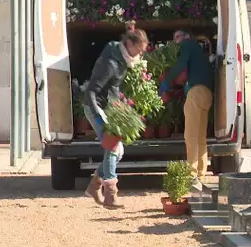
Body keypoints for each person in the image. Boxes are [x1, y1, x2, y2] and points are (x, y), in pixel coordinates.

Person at [83, 21, 149, 209]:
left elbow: (112, 86)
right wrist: (98, 116)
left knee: (118, 151)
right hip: (96, 106)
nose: (140, 54)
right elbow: (91, 92)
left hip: (109, 106)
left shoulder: (122, 56)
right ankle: (110, 195)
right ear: (129, 45)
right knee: (113, 147)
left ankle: (94, 185)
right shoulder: (111, 63)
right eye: (139, 49)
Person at [159, 30, 213, 187]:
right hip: (207, 94)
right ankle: (201, 175)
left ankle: (191, 175)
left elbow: (181, 65)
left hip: (195, 94)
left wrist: (166, 82)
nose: (176, 42)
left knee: (190, 136)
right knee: (201, 137)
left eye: (178, 37)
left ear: (187, 36)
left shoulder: (188, 45)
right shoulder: (199, 52)